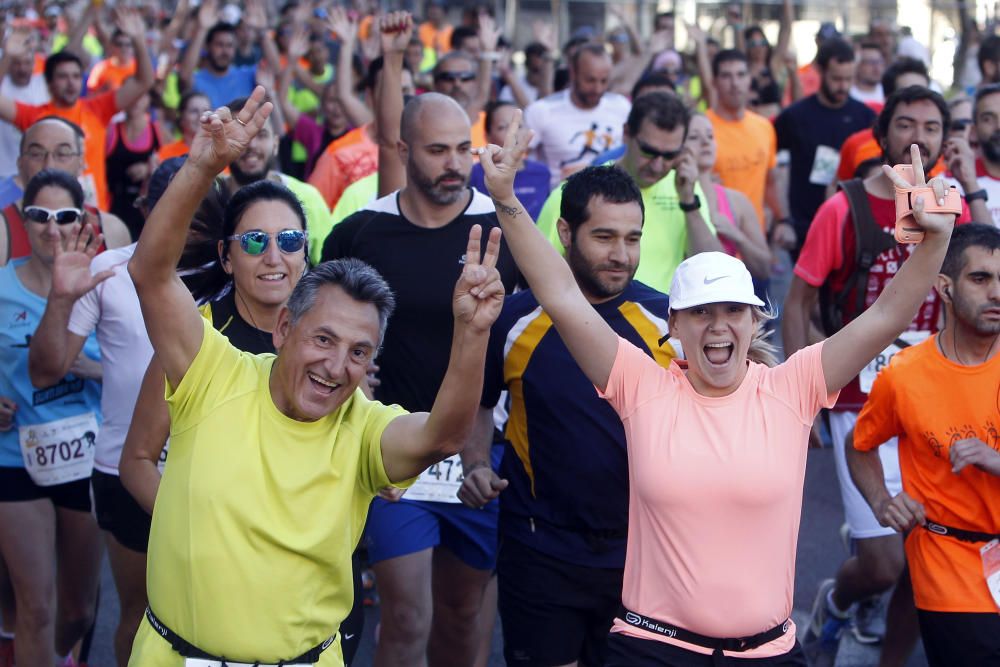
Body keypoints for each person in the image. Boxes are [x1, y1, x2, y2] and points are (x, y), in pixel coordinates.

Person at [477, 106, 957, 666]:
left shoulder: (793, 387)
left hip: (768, 652)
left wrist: (934, 241)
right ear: (673, 326)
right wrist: (506, 198)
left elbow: (885, 317)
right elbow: (559, 293)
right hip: (653, 649)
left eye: (735, 311)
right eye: (701, 313)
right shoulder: (640, 385)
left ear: (755, 322)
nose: (719, 325)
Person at [125, 85, 506, 667]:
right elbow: (151, 273)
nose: (335, 366)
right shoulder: (214, 371)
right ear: (285, 331)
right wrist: (204, 165)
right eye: (322, 340)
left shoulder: (364, 425)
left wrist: (472, 331)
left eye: (359, 352)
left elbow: (444, 436)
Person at [783, 87, 980, 665]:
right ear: (881, 134)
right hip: (856, 401)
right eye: (905, 123)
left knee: (927, 562)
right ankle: (838, 602)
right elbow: (798, 303)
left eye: (932, 125)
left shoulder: (954, 210)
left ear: (948, 138)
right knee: (883, 563)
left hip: (934, 401)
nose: (919, 135)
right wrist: (806, 401)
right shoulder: (842, 208)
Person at [322, 92, 520, 667]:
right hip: (395, 451)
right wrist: (350, 377)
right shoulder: (361, 232)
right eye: (438, 150)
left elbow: (545, 318)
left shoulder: (501, 224)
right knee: (407, 616)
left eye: (464, 148)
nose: (455, 163)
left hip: (481, 451)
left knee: (460, 618)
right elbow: (318, 325)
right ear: (405, 150)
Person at [468, 165, 674, 667]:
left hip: (641, 554)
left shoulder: (668, 323)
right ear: (565, 232)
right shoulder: (514, 319)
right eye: (604, 236)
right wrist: (476, 464)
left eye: (632, 238)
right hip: (538, 548)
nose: (621, 255)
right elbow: (479, 406)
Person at [25, 158, 187, 667]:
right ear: (146, 208)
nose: (185, 212)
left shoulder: (238, 268)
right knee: (140, 616)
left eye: (200, 200)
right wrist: (58, 299)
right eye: (173, 199)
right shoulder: (108, 269)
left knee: (208, 616)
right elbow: (47, 370)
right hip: (125, 470)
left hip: (215, 471)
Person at [848, 222, 1000, 667]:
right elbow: (860, 446)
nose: (996, 292)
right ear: (944, 288)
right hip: (947, 562)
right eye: (981, 278)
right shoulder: (904, 374)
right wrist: (881, 501)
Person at [0, 169, 104, 667]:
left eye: (64, 216)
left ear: (80, 220)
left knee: (79, 610)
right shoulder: (0, 286)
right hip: (12, 458)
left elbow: (138, 368)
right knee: (36, 607)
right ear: (24, 219)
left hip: (85, 460)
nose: (51, 227)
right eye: (38, 216)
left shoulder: (102, 284)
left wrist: (90, 367)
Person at [536, 91, 721, 293]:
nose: (658, 165)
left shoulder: (685, 187)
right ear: (626, 133)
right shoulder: (576, 192)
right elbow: (540, 272)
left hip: (664, 319)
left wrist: (688, 202)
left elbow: (711, 270)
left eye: (670, 155)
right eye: (648, 151)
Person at [0, 8, 155, 211]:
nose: (71, 83)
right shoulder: (34, 116)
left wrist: (138, 40)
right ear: (48, 84)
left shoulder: (98, 108)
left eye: (75, 76)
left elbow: (144, 81)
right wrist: (8, 57)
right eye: (63, 77)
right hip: (49, 216)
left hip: (94, 215)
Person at [774, 37, 876, 247]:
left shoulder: (865, 117)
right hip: (803, 224)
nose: (843, 86)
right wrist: (783, 219)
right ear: (820, 71)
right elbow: (776, 169)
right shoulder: (794, 116)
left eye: (849, 79)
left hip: (852, 222)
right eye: (836, 79)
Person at [1, 117, 132, 264]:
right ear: (20, 164)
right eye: (36, 154)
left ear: (81, 163)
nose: (49, 165)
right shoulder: (2, 230)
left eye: (62, 154)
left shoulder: (111, 230)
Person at [222, 96, 330, 266]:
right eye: (241, 135)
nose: (251, 145)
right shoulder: (207, 198)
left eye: (261, 135)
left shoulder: (308, 198)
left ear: (275, 144)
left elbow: (329, 267)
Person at [524, 42, 631, 188]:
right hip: (560, 203)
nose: (597, 88)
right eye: (590, 80)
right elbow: (519, 161)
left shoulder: (621, 106)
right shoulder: (542, 111)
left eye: (604, 81)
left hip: (613, 199)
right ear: (573, 73)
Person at [706, 49, 786, 239]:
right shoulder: (701, 129)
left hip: (754, 237)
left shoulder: (764, 126)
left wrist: (783, 220)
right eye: (726, 76)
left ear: (749, 79)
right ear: (714, 82)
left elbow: (770, 181)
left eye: (741, 75)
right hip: (715, 238)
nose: (735, 84)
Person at [687, 113, 772, 279]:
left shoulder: (736, 201)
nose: (705, 142)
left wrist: (737, 236)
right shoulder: (668, 199)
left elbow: (765, 270)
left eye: (710, 136)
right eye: (694, 137)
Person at [177, 0, 280, 109]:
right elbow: (184, 76)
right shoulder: (198, 79)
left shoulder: (247, 76)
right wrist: (202, 30)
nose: (225, 51)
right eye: (219, 45)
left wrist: (262, 32)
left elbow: (275, 70)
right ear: (208, 47)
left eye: (229, 45)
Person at [469, 101, 550, 220]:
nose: (513, 134)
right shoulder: (475, 174)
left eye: (519, 126)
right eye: (502, 127)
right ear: (487, 136)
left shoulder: (542, 172)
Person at [104, 92, 164, 240]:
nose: (136, 100)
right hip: (115, 203)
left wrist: (148, 169)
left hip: (144, 205)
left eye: (142, 95)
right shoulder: (111, 130)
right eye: (133, 94)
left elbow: (166, 163)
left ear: (149, 99)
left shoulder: (157, 130)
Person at [946, 83, 1000, 227]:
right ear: (974, 130)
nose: (999, 126)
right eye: (988, 119)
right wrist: (970, 184)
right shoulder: (949, 185)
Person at [0, 29, 49, 180]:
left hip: (38, 173)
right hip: (5, 172)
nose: (22, 68)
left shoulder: (43, 84)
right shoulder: (4, 84)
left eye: (27, 63)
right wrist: (8, 55)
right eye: (16, 63)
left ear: (34, 63)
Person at [157, 91, 212, 161]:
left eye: (206, 111)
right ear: (181, 117)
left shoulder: (217, 151)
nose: (201, 116)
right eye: (194, 111)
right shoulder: (166, 153)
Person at [851, 43, 886, 109]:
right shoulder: (847, 94)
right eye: (870, 62)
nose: (876, 67)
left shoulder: (887, 92)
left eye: (879, 62)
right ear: (857, 66)